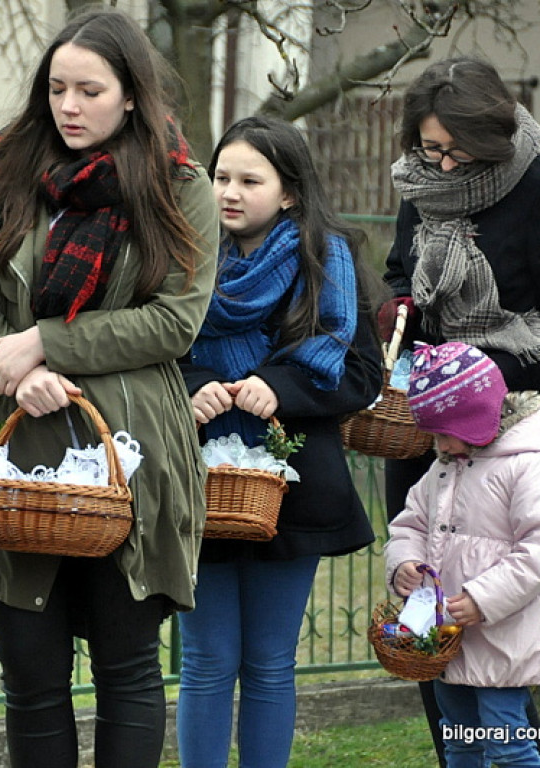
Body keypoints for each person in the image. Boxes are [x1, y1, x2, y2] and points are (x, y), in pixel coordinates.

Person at [0, 8, 217, 767]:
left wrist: (51, 342)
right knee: (33, 679)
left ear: (131, 96)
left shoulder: (179, 188)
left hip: (131, 454)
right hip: (17, 450)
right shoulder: (4, 172)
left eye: (90, 89)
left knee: (126, 672)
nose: (70, 107)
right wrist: (15, 363)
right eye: (57, 88)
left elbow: (175, 322)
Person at [176, 115, 384, 768]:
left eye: (249, 179)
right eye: (220, 177)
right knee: (205, 660)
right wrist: (197, 385)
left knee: (269, 662)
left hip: (294, 487)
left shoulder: (329, 264)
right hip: (196, 482)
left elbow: (361, 374)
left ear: (289, 191)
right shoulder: (178, 256)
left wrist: (280, 388)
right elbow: (149, 352)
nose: (229, 192)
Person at [381, 56, 540, 766]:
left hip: (515, 416)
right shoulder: (419, 182)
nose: (440, 166)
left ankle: (515, 751)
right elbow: (397, 266)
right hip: (425, 417)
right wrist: (400, 311)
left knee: (511, 629)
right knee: (432, 624)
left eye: (455, 149)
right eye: (428, 148)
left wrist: (482, 376)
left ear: (494, 132)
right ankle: (458, 755)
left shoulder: (534, 182)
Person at [386, 341, 540, 768]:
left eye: (443, 432)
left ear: (475, 419)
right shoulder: (442, 469)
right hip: (447, 642)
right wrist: (403, 562)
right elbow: (409, 523)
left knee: (508, 744)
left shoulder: (526, 464)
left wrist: (482, 598)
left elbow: (536, 550)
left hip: (501, 643)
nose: (438, 444)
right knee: (459, 741)